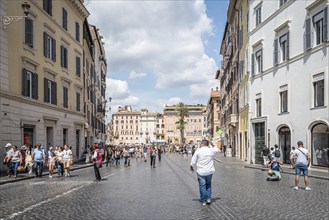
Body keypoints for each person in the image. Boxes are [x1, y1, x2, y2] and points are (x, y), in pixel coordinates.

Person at [190, 139, 219, 206]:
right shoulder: (210, 150)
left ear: (202, 144)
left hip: (201, 172)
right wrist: (212, 143)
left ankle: (203, 200)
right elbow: (216, 149)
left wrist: (191, 167)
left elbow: (193, 160)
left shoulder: (198, 151)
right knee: (208, 184)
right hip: (209, 171)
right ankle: (208, 199)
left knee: (202, 186)